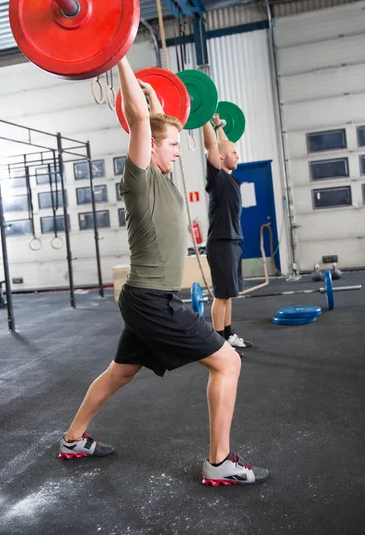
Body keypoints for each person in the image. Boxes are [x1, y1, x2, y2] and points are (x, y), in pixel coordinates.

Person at [58, 57, 269, 486]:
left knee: (121, 371)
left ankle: (73, 439)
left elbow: (149, 112)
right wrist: (118, 52)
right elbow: (139, 117)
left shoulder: (166, 178)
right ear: (149, 146)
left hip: (148, 297)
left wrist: (155, 96)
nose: (178, 149)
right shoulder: (139, 180)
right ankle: (220, 462)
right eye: (171, 144)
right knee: (227, 362)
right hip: (152, 299)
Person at [203, 115, 252, 350]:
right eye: (234, 154)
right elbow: (213, 148)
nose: (238, 156)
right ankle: (218, 343)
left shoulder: (230, 178)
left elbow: (224, 146)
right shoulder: (218, 177)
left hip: (232, 243)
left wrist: (219, 126)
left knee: (229, 294)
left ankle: (229, 335)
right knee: (221, 295)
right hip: (221, 243)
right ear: (221, 158)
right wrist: (204, 120)